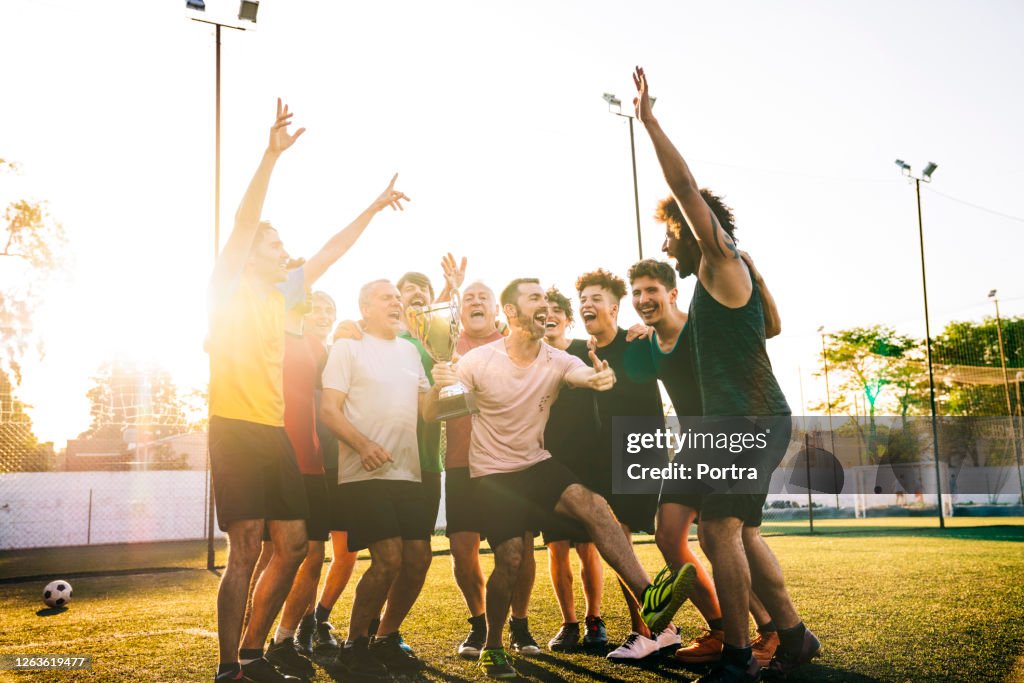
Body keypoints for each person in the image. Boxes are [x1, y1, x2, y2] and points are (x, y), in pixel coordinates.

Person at [206, 99, 407, 683]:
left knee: (293, 544)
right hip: (236, 429)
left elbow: (331, 250)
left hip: (274, 436)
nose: (284, 250)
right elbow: (246, 224)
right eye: (274, 246)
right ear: (250, 255)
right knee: (245, 549)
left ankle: (254, 650)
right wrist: (269, 157)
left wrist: (371, 206)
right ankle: (230, 668)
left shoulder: (282, 295)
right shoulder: (228, 287)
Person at [634, 66, 818, 683]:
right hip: (720, 424)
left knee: (721, 529)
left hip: (751, 419)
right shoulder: (728, 277)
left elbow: (685, 184)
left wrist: (651, 124)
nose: (667, 246)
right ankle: (792, 634)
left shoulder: (719, 259)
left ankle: (740, 654)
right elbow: (769, 327)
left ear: (694, 229)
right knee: (703, 528)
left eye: (670, 234)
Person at [432, 278, 698, 679]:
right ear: (512, 311)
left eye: (547, 298)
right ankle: (492, 646)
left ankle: (650, 599)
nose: (546, 304)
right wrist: (442, 385)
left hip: (536, 462)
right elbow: (440, 413)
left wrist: (597, 379)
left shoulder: (556, 358)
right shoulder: (478, 361)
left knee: (593, 505)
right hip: (492, 474)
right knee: (511, 560)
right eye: (535, 298)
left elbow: (580, 375)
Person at [627, 259, 781, 667]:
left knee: (722, 539)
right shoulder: (646, 343)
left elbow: (766, 330)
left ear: (672, 293)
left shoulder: (699, 327)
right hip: (695, 443)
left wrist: (759, 280)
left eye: (652, 291)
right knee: (668, 536)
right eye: (637, 293)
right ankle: (720, 627)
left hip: (734, 434)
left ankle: (769, 631)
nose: (644, 299)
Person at [320, 279, 445, 679]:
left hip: (409, 475)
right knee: (388, 558)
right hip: (364, 474)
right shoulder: (347, 346)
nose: (396, 302)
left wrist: (441, 385)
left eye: (397, 298)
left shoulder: (411, 350)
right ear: (365, 307)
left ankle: (385, 639)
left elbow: (427, 413)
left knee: (418, 559)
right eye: (387, 297)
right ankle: (353, 648)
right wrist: (363, 445)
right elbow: (329, 411)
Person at [443, 280, 542, 659]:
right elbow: (414, 330)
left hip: (511, 463)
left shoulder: (515, 343)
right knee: (461, 549)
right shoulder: (447, 347)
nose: (476, 301)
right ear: (460, 310)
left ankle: (519, 624)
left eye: (483, 297)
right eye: (468, 298)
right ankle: (481, 623)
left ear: (498, 309)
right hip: (460, 463)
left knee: (522, 548)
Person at [539, 287, 606, 654]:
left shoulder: (586, 348)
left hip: (588, 463)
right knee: (557, 548)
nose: (548, 315)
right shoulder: (533, 355)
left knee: (588, 546)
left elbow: (618, 338)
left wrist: (638, 331)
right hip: (547, 462)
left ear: (567, 318)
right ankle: (569, 623)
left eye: (555, 310)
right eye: (542, 310)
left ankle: (595, 619)